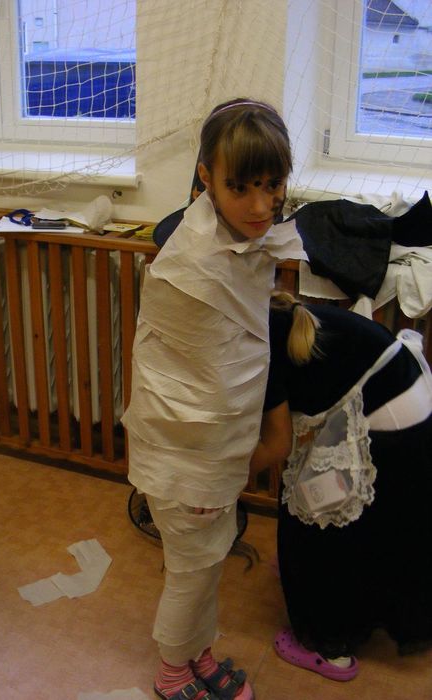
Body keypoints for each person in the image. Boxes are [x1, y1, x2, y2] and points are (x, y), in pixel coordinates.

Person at [121, 99, 307, 700]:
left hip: (216, 452)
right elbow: (186, 388)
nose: (260, 206)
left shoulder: (239, 240)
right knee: (192, 569)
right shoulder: (192, 266)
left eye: (272, 186)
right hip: (188, 454)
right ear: (205, 176)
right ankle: (172, 673)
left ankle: (197, 655)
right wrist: (203, 470)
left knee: (209, 561)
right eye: (240, 187)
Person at [251, 291, 432, 681]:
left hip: (388, 419)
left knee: (313, 519)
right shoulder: (279, 315)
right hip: (408, 398)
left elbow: (277, 445)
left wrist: (223, 481)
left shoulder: (258, 346)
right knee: (363, 522)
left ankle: (327, 644)